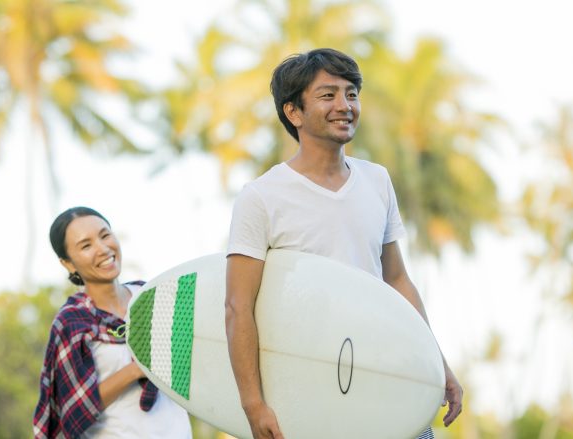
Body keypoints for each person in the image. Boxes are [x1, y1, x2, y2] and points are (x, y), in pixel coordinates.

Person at [224, 48, 463, 439]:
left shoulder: (377, 181)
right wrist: (254, 405)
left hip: (385, 370)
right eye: (328, 95)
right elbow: (238, 307)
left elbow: (398, 281)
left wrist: (437, 364)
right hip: (313, 386)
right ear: (294, 112)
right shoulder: (263, 196)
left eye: (352, 94)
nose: (345, 105)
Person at [33, 206, 192, 438]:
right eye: (86, 246)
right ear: (68, 263)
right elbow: (71, 411)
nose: (102, 248)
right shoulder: (72, 321)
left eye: (105, 235)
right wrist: (135, 370)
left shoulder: (153, 297)